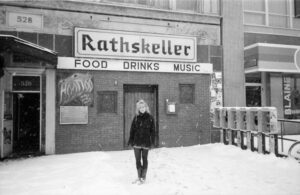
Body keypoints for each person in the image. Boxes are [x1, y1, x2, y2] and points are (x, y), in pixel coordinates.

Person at [127, 99, 155, 184]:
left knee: (145, 159)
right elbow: (132, 130)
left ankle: (143, 177)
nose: (142, 108)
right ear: (138, 109)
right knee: (138, 160)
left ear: (146, 107)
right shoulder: (136, 118)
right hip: (137, 142)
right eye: (140, 107)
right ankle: (139, 176)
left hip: (146, 142)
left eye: (143, 107)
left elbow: (153, 131)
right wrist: (131, 140)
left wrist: (152, 141)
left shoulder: (150, 118)